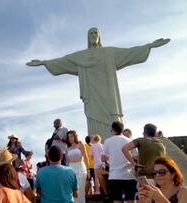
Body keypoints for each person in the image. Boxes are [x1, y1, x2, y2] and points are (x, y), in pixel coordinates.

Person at [27, 27, 170, 140]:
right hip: (92, 97)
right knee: (95, 123)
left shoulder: (109, 52)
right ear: (88, 37)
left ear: (100, 36)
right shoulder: (81, 56)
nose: (94, 35)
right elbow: (63, 61)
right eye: (91, 33)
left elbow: (130, 53)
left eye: (96, 33)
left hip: (109, 95)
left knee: (113, 120)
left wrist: (149, 46)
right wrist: (44, 62)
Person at [102, 121, 137, 203]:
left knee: (117, 200)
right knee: (131, 199)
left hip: (114, 175)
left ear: (112, 129)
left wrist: (111, 158)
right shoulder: (129, 140)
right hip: (129, 175)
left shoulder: (107, 141)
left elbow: (102, 158)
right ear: (122, 129)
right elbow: (136, 157)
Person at [66, 130, 89, 203]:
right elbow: (67, 161)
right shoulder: (67, 149)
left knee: (80, 189)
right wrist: (66, 172)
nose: (70, 138)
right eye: (68, 137)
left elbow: (86, 158)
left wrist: (88, 170)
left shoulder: (80, 145)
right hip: (71, 169)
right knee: (72, 190)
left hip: (81, 168)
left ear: (75, 136)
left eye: (71, 136)